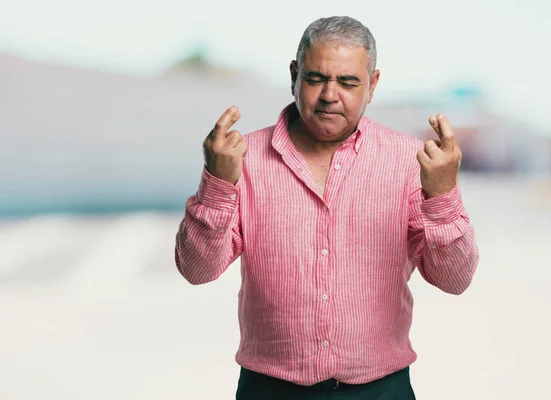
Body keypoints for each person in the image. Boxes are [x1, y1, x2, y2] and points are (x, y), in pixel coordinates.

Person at [174, 15, 479, 400]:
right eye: (316, 78)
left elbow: (455, 280)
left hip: (381, 390)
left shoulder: (410, 162)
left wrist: (442, 196)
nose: (330, 94)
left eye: (348, 82)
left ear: (372, 85)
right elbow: (197, 271)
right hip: (269, 389)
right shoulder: (241, 158)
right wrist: (217, 185)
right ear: (294, 75)